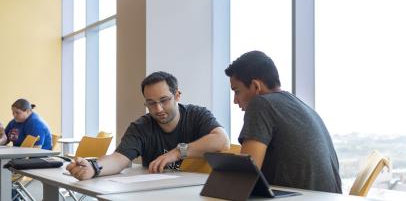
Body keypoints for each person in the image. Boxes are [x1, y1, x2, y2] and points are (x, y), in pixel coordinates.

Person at [67, 71, 230, 180]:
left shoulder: (197, 115)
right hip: (155, 193)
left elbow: (222, 140)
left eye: (164, 100)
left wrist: (177, 152)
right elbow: (119, 159)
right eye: (151, 103)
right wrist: (94, 168)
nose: (158, 109)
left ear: (177, 95)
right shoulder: (140, 127)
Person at [225, 50, 342, 193]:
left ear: (256, 86)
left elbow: (244, 178)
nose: (235, 101)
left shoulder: (261, 104)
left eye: (237, 91)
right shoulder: (301, 106)